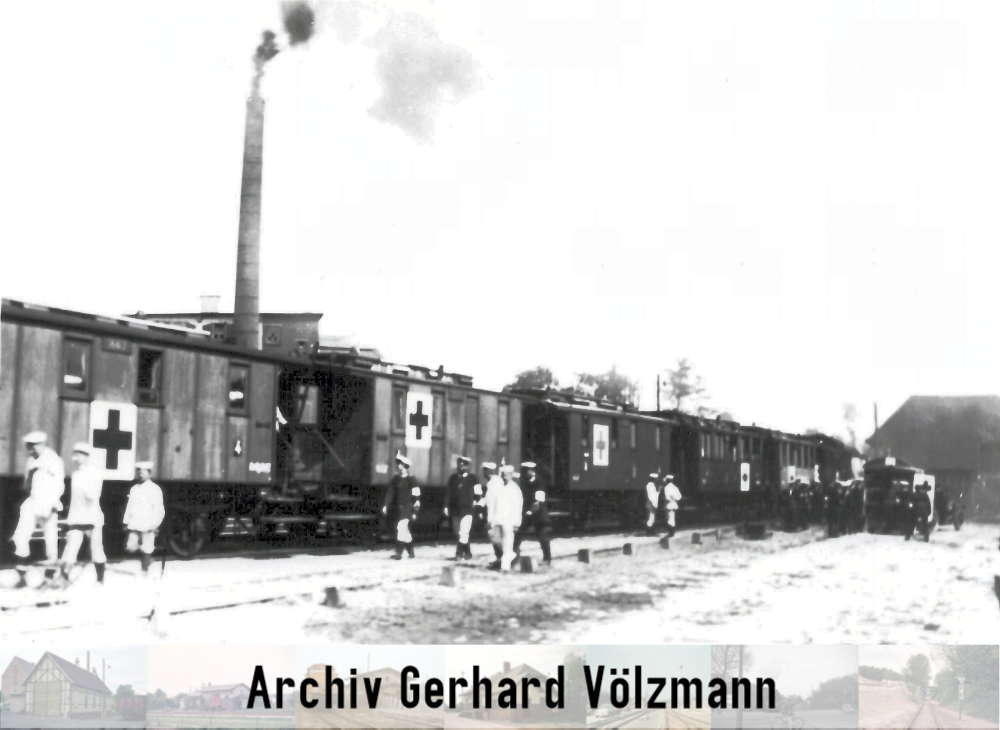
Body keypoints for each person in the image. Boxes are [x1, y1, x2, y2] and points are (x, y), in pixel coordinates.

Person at [11, 431, 65, 586]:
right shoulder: (30, 460)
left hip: (48, 503)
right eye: (29, 447)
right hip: (33, 501)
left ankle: (50, 577)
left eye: (33, 447)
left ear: (41, 444)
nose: (30, 450)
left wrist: (53, 502)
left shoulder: (54, 460)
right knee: (21, 536)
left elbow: (59, 484)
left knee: (50, 540)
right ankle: (21, 576)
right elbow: (27, 484)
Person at [60, 442, 106, 584]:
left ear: (86, 456)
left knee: (96, 550)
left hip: (92, 519)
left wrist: (86, 485)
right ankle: (63, 578)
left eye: (79, 455)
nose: (76, 458)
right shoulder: (76, 475)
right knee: (70, 550)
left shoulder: (95, 474)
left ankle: (100, 580)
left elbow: (93, 495)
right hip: (76, 519)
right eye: (75, 455)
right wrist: (70, 519)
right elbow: (75, 500)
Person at [123, 461, 165, 574]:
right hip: (135, 523)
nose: (140, 474)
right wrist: (126, 521)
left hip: (149, 523)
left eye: (143, 471)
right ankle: (148, 559)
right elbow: (129, 506)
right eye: (139, 471)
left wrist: (155, 524)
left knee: (147, 546)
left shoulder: (155, 489)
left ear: (149, 473)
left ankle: (144, 569)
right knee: (130, 546)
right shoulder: (134, 489)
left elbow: (159, 508)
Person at [513, 461, 552, 565]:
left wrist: (531, 511)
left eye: (527, 471)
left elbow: (538, 502)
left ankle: (547, 559)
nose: (525, 473)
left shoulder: (540, 482)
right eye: (524, 471)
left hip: (539, 514)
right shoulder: (525, 482)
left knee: (543, 536)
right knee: (517, 536)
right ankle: (514, 557)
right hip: (527, 513)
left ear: (532, 471)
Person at [382, 454, 420, 559]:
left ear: (405, 466)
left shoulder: (412, 479)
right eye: (398, 463)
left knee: (401, 527)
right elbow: (390, 493)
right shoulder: (396, 479)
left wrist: (415, 512)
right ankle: (411, 552)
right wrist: (385, 505)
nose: (398, 465)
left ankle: (398, 553)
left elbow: (416, 497)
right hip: (398, 509)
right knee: (404, 530)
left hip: (408, 507)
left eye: (400, 464)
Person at [485, 465, 522, 571]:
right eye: (503, 475)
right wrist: (490, 519)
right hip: (497, 519)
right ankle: (509, 557)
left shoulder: (515, 489)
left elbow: (518, 507)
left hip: (509, 520)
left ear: (511, 476)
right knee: (496, 540)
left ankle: (505, 566)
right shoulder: (497, 488)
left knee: (508, 543)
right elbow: (492, 504)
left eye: (506, 475)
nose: (504, 477)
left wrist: (517, 522)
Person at [444, 455, 480, 560]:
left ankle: (459, 553)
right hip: (455, 510)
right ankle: (468, 553)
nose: (461, 466)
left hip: (467, 510)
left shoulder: (473, 478)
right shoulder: (453, 478)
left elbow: (478, 493)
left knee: (463, 532)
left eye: (463, 464)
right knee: (458, 533)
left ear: (467, 466)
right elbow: (448, 493)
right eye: (459, 463)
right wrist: (446, 506)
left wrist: (476, 503)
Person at [479, 462, 503, 565]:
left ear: (489, 471)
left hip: (496, 515)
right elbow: (488, 498)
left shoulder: (495, 482)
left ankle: (501, 559)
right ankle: (499, 558)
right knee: (493, 537)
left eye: (485, 470)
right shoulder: (490, 482)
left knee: (496, 538)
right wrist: (481, 503)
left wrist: (491, 519)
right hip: (492, 515)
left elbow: (494, 501)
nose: (483, 473)